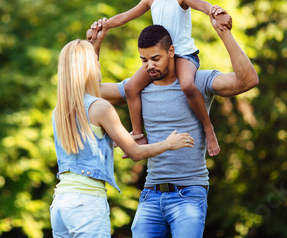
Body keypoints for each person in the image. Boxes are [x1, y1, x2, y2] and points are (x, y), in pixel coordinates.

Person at [86, 15, 258, 237]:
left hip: (189, 194)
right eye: (144, 60)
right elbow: (90, 90)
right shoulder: (136, 88)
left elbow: (248, 80)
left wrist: (224, 33)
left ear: (171, 52)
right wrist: (95, 45)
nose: (150, 66)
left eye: (155, 58)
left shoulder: (197, 81)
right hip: (150, 194)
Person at [92, 0, 232, 156]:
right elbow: (125, 16)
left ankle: (208, 128)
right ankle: (138, 135)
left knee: (187, 85)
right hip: (161, 58)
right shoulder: (151, 0)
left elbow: (202, 6)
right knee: (130, 88)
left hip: (184, 55)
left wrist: (215, 11)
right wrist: (104, 24)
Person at [50, 38, 196, 238]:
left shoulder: (59, 111)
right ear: (89, 66)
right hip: (87, 204)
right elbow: (135, 153)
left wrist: (120, 140)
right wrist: (168, 144)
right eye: (95, 59)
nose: (98, 63)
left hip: (60, 204)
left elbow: (86, 146)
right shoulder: (99, 107)